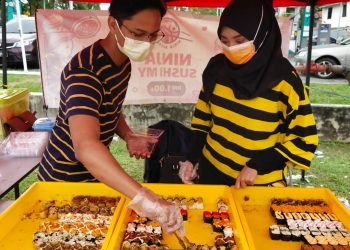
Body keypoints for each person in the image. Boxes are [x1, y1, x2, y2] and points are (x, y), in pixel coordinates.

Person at [38, 0, 184, 235]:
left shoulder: (122, 61)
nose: (145, 43)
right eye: (138, 33)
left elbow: (109, 108)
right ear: (112, 23)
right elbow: (85, 147)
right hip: (64, 181)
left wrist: (128, 135)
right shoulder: (84, 74)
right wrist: (144, 196)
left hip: (97, 175)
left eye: (153, 35)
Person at [179, 0, 318, 189]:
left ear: (261, 36)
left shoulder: (285, 80)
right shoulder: (216, 71)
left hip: (257, 182)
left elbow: (304, 139)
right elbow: (202, 122)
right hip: (211, 171)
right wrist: (191, 159)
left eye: (239, 41)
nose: (231, 49)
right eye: (225, 41)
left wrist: (257, 165)